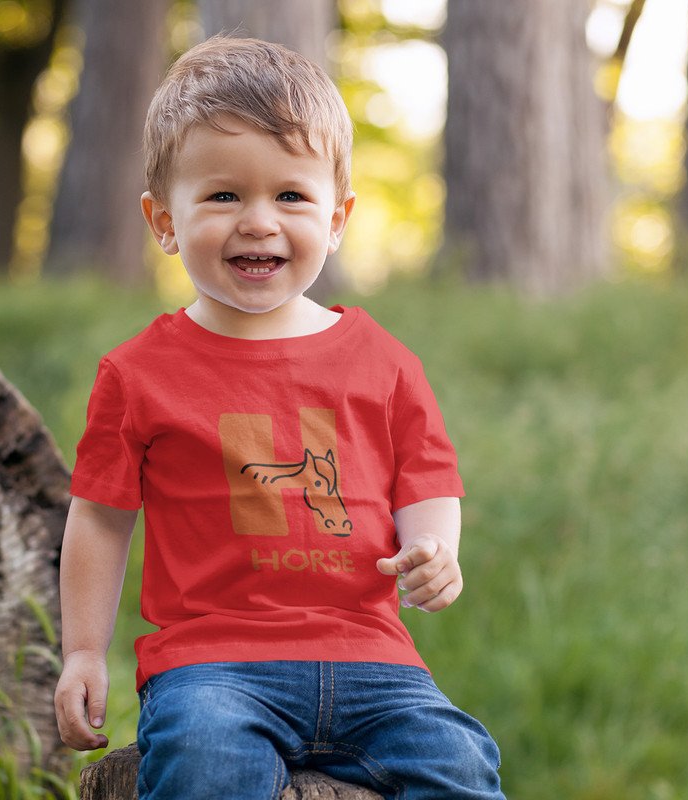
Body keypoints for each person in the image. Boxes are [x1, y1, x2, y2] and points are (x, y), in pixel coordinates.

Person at [53, 35, 505, 800]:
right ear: (163, 221)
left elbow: (425, 479)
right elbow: (99, 518)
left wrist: (433, 548)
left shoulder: (383, 361)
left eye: (291, 196)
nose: (259, 222)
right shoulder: (137, 373)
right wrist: (83, 654)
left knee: (460, 762)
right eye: (223, 196)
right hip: (213, 667)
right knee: (203, 761)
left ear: (337, 218)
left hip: (374, 662)